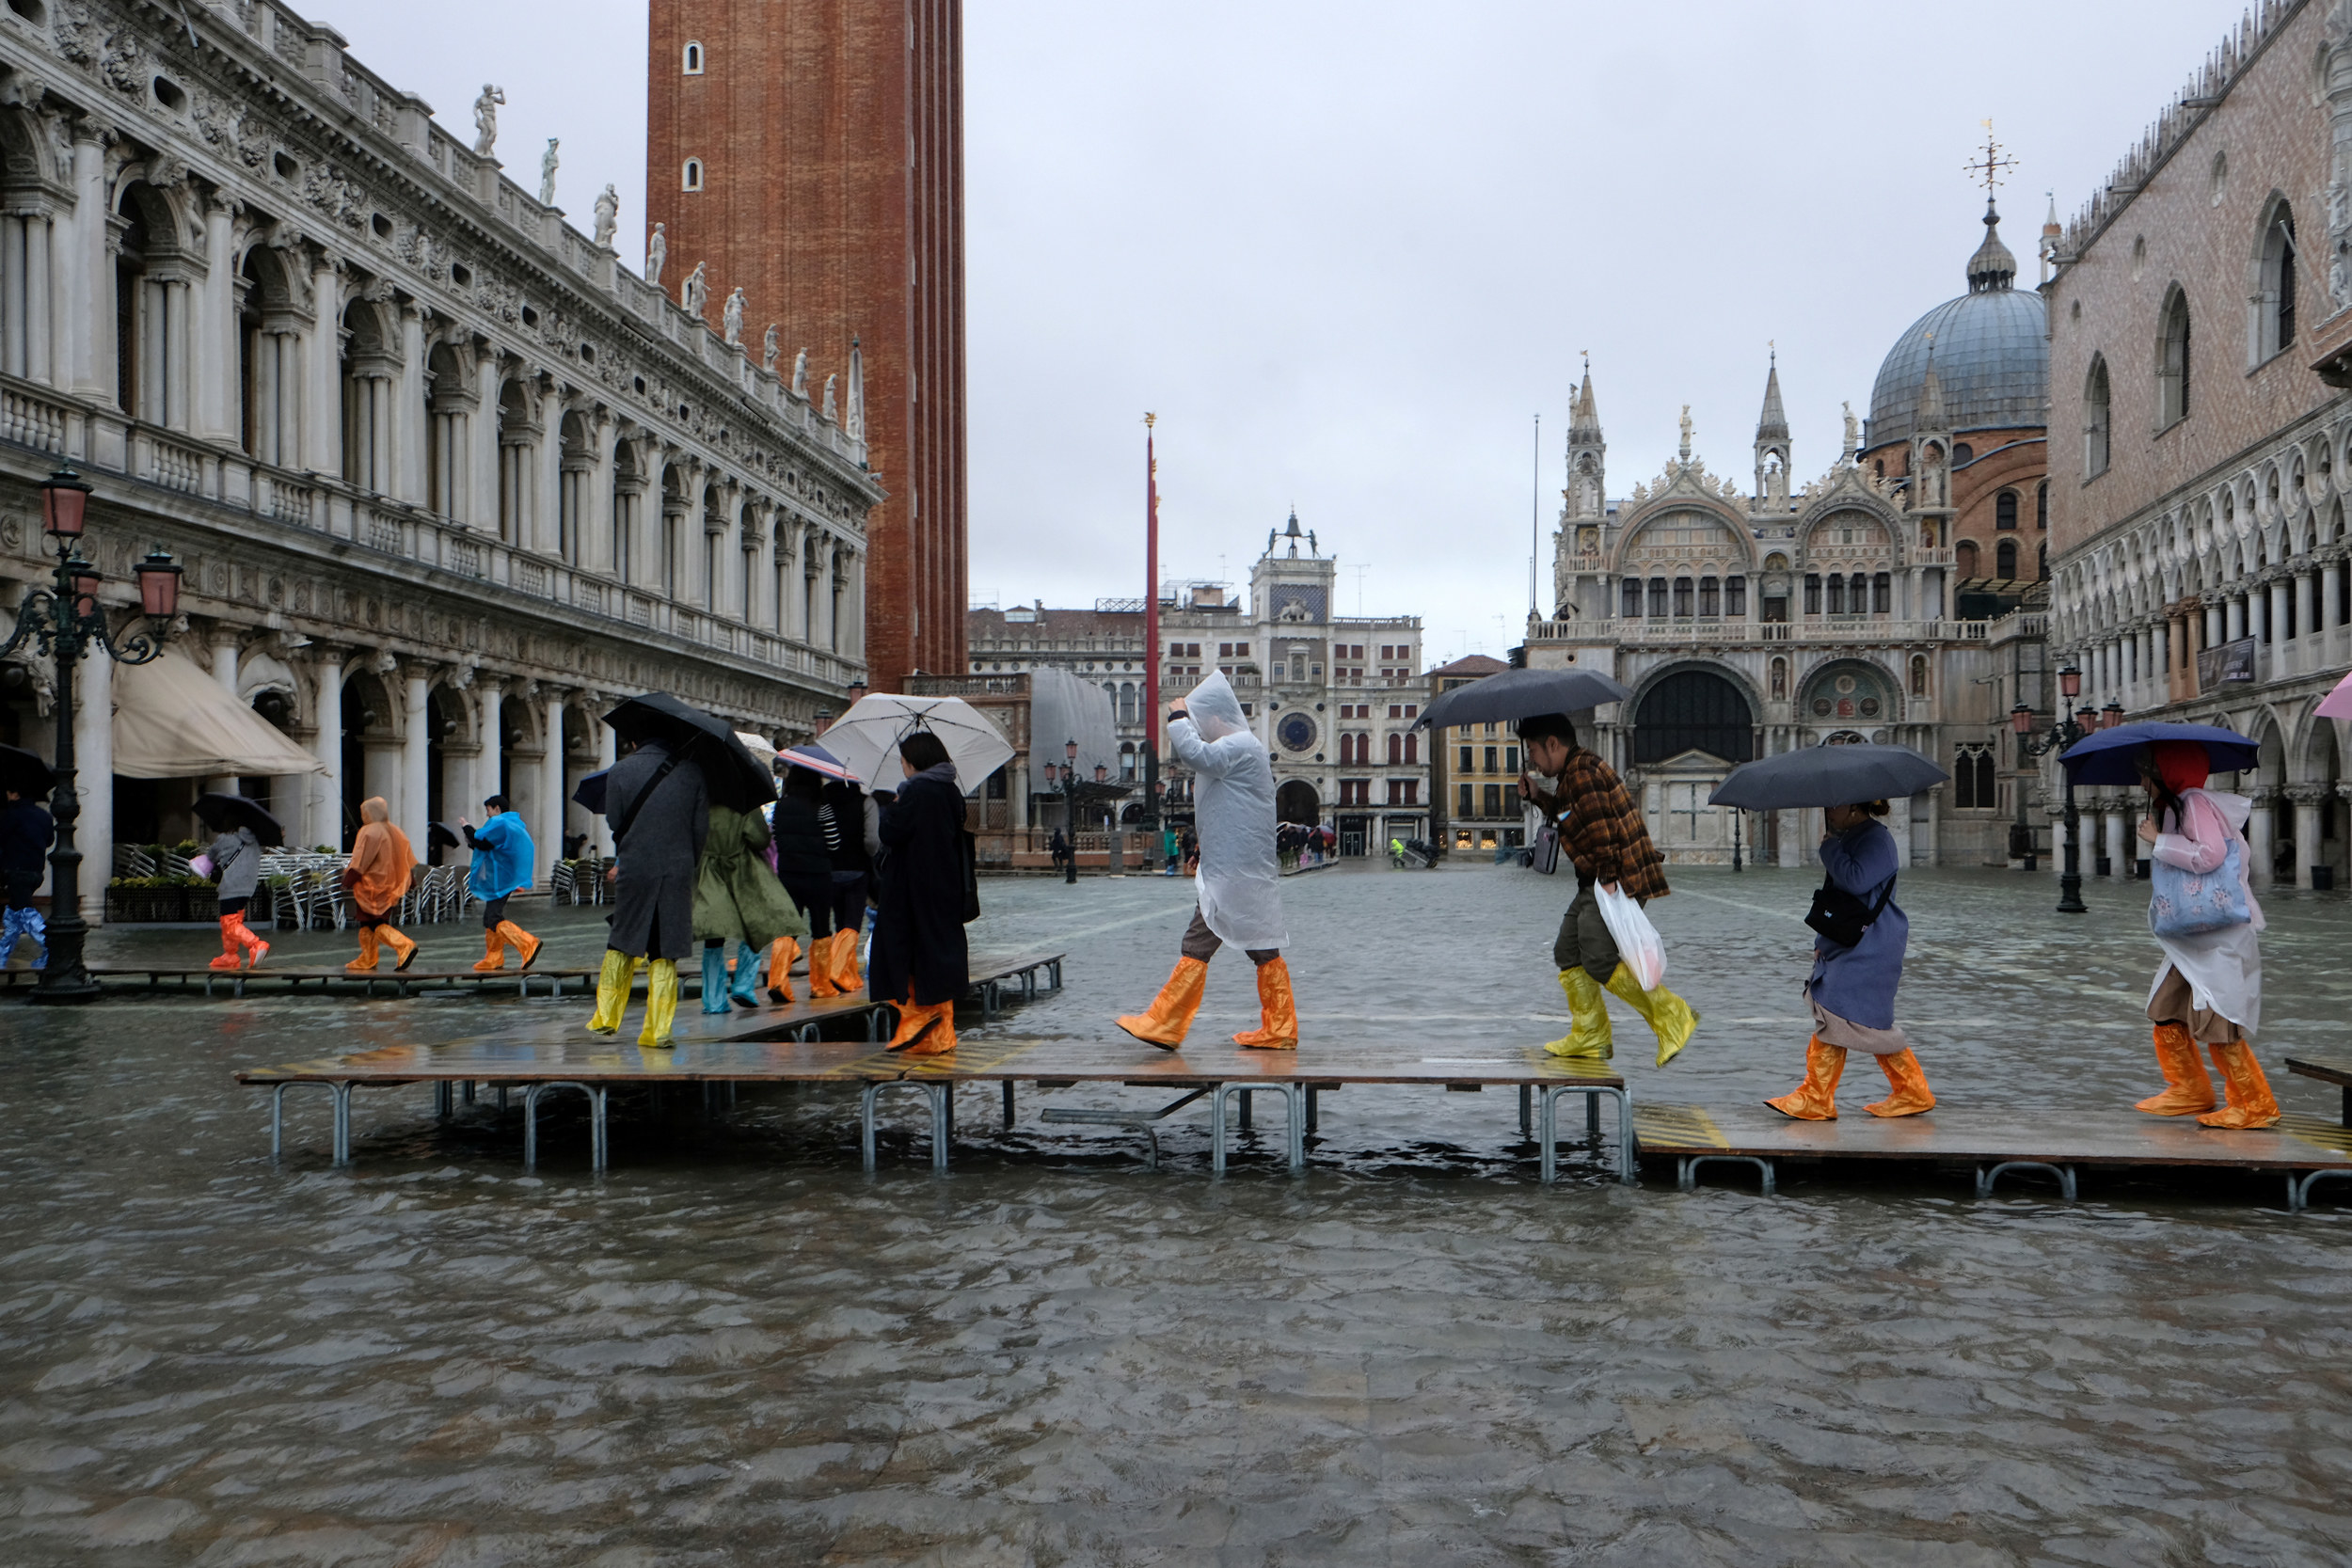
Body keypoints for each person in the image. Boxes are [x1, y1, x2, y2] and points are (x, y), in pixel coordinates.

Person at [1118, 673, 1296, 1050]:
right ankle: (1280, 1029)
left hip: (1235, 873)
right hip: (1239, 869)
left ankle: (1165, 1024)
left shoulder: (1240, 746)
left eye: (1201, 721)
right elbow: (1227, 811)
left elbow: (1194, 753)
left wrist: (1178, 717)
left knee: (1198, 942)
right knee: (1261, 948)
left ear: (1214, 718)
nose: (1199, 728)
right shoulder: (1242, 749)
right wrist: (1202, 850)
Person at [1518, 713, 1697, 1065]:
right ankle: (1590, 1036)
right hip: (1598, 878)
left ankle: (1673, 1016)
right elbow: (1573, 817)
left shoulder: (1582, 773)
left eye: (1534, 751)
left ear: (1553, 744)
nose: (1533, 761)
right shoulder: (1574, 774)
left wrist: (1610, 882)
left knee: (1598, 958)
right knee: (1568, 951)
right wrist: (1538, 796)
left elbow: (1603, 830)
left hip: (1611, 877)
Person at [2133, 741, 2278, 1129]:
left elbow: (2210, 855)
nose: (2142, 781)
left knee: (2218, 1017)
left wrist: (2158, 842)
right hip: (2192, 934)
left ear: (2167, 773)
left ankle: (2255, 1103)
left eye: (2147, 773)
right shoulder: (2180, 807)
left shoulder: (2194, 803)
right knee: (2166, 1008)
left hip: (2216, 934)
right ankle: (2189, 1089)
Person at [1764, 800, 1933, 1119]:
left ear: (1855, 807)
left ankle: (1818, 1096)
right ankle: (1911, 1091)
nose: (1828, 810)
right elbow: (1842, 901)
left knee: (1841, 1011)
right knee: (1851, 1014)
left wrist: (1829, 849)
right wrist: (1823, 942)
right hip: (1854, 940)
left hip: (1873, 942)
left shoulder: (1876, 840)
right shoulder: (1854, 837)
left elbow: (1856, 881)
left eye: (1834, 806)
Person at [588, 734, 709, 1046]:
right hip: (677, 865)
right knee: (664, 946)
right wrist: (686, 860)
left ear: (633, 742)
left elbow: (615, 821)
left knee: (624, 937)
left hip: (636, 863)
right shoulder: (693, 771)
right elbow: (700, 828)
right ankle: (658, 1030)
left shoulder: (620, 770)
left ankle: (606, 1017)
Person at [868, 731, 969, 1054]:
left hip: (911, 885)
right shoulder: (950, 791)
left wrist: (894, 806)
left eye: (903, 762)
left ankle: (916, 1017)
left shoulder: (916, 792)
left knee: (902, 949)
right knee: (937, 952)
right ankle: (941, 1034)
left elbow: (890, 833)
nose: (903, 769)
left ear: (914, 762)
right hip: (945, 884)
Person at [693, 791, 806, 1013]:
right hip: (740, 872)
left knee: (713, 937)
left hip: (708, 874)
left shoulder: (699, 803)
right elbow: (759, 838)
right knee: (755, 926)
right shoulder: (744, 803)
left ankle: (713, 1000)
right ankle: (744, 985)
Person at [766, 766, 836, 1001]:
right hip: (817, 874)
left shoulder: (780, 806)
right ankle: (820, 985)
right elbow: (834, 842)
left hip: (788, 874)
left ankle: (777, 980)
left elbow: (776, 837)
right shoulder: (822, 806)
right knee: (820, 929)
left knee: (787, 928)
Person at [460, 794, 540, 972]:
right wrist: (472, 841)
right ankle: (494, 957)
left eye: (488, 810)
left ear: (497, 809)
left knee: (493, 917)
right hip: (502, 878)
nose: (487, 815)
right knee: (490, 917)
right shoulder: (511, 825)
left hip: (500, 879)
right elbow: (487, 846)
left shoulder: (500, 823)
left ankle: (527, 943)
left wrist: (467, 827)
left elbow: (480, 839)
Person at [342, 797, 417, 972]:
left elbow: (361, 860)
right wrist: (410, 880)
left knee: (374, 922)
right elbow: (405, 858)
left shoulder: (368, 831)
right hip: (392, 885)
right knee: (368, 922)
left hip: (372, 885)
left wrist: (348, 880)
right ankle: (368, 958)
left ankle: (404, 945)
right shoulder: (396, 831)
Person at [818, 777, 878, 992]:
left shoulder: (822, 801)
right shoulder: (866, 802)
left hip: (829, 870)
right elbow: (872, 841)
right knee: (852, 925)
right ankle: (838, 970)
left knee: (839, 924)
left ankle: (848, 976)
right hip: (857, 869)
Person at [199, 805, 268, 972]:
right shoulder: (256, 840)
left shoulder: (225, 838)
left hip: (230, 885)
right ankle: (230, 955)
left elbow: (211, 857)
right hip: (248, 886)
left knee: (229, 923)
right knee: (233, 921)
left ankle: (256, 944)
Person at [2, 787, 54, 970]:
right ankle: (2, 955)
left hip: (16, 870)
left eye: (9, 792)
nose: (7, 795)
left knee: (24, 913)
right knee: (13, 915)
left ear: (16, 794)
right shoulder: (44, 816)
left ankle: (54, 950)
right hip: (35, 871)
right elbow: (49, 841)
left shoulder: (11, 814)